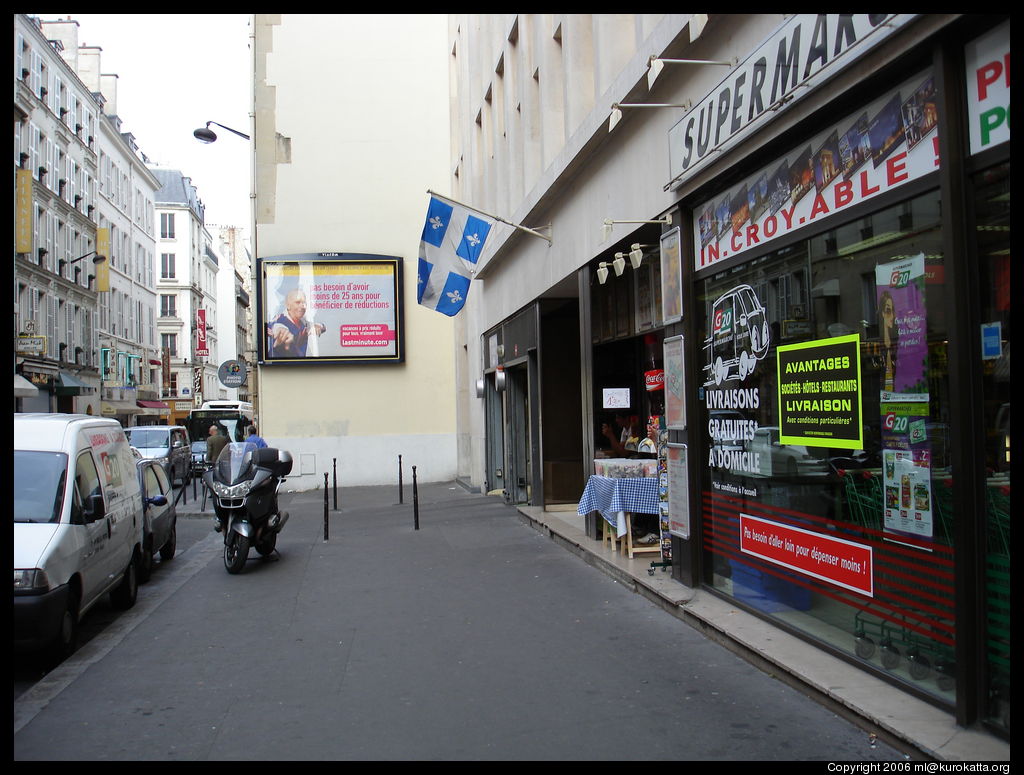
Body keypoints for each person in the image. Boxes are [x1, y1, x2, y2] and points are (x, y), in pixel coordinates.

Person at [267, 288, 326, 358]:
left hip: (300, 366)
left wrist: (319, 326)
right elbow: (271, 326)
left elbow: (322, 327)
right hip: (279, 367)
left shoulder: (303, 322)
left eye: (304, 303)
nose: (302, 306)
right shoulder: (280, 320)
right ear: (288, 305)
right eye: (298, 302)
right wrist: (279, 329)